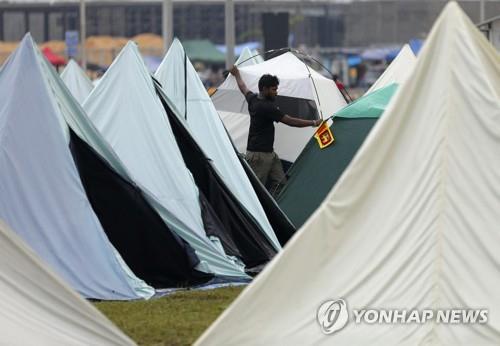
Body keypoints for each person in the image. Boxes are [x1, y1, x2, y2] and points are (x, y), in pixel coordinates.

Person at [230, 65, 322, 195]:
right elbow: (290, 121)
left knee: (281, 183)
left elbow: (243, 87)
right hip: (259, 156)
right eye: (274, 89)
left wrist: (237, 74)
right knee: (256, 191)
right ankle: (257, 213)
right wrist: (313, 122)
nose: (276, 92)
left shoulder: (253, 99)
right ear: (264, 89)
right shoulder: (266, 107)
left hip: (269, 154)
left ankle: (271, 208)